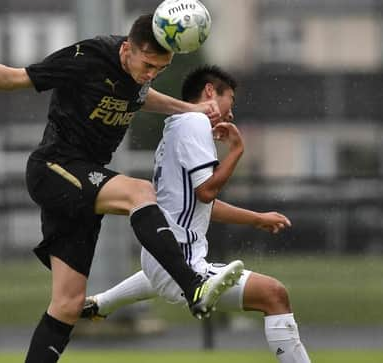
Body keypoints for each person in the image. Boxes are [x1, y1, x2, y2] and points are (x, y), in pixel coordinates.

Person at [0, 14, 244, 363]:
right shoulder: (88, 57)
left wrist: (191, 109)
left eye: (161, 68)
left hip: (82, 183)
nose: (151, 74)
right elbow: (15, 78)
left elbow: (144, 96)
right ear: (127, 49)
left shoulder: (139, 74)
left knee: (67, 305)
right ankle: (193, 286)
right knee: (140, 193)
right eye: (148, 65)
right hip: (55, 167)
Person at [82, 65, 312, 363]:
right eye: (230, 100)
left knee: (164, 275)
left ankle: (101, 303)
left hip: (160, 255)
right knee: (274, 294)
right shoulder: (194, 122)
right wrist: (237, 151)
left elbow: (201, 204)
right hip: (181, 259)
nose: (231, 113)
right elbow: (207, 192)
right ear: (209, 92)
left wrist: (257, 218)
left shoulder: (176, 127)